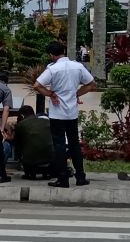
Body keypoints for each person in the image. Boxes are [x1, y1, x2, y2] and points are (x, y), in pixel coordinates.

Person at [34, 41, 97, 188]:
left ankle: (63, 178)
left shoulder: (53, 69)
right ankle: (80, 176)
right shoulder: (78, 66)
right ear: (63, 51)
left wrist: (51, 94)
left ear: (51, 55)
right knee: (75, 144)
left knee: (59, 145)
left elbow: (37, 85)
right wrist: (77, 93)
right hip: (72, 113)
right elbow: (91, 84)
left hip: (57, 114)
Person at [12, 104, 54, 179]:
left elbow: (17, 144)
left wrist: (18, 157)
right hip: (50, 157)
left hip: (31, 159)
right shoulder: (46, 121)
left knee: (21, 147)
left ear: (21, 115)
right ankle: (46, 173)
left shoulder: (21, 124)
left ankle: (29, 173)